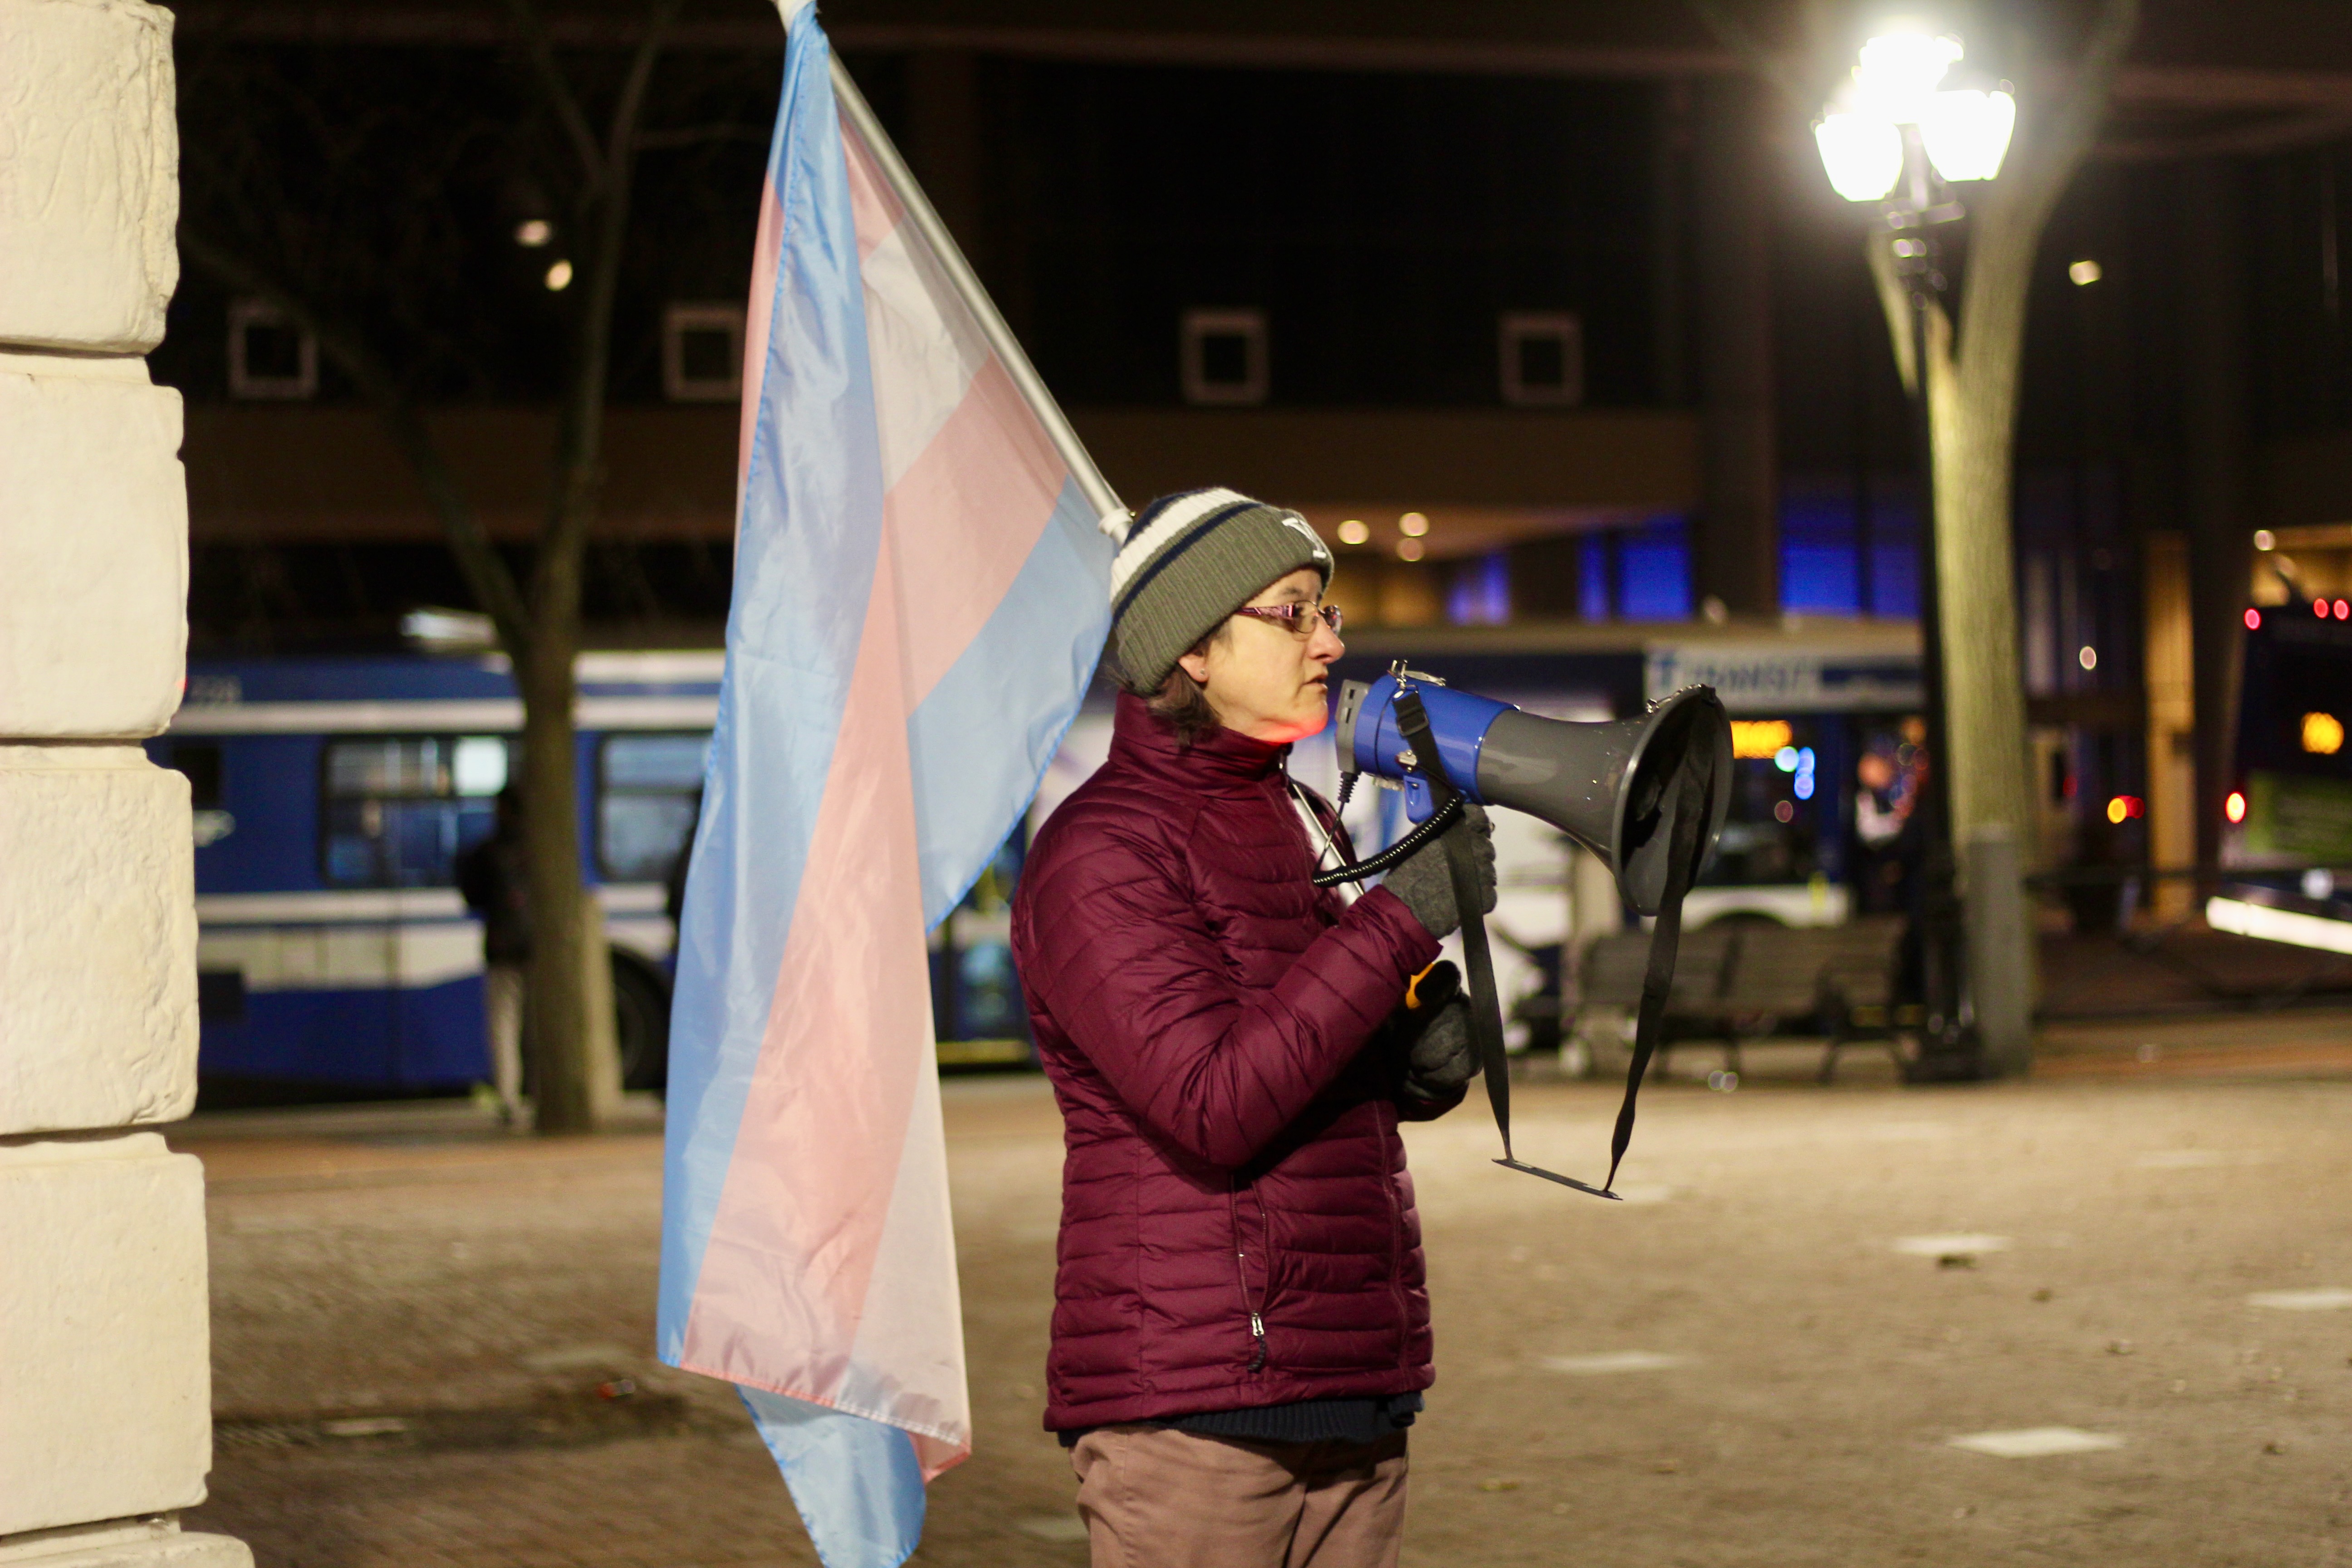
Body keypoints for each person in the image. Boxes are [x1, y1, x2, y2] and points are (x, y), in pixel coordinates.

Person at [1009, 488, 1497, 1568]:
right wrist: (1393, 926)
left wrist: (1405, 1056)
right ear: (1191, 649)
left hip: (1347, 1383)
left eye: (1325, 611)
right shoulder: (1101, 851)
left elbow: (1295, 1046)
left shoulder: (1291, 814)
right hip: (1197, 1408)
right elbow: (1211, 1101)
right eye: (1292, 612)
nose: (1331, 638)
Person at [456, 786, 530, 1126]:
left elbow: (472, 895)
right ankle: (544, 1094)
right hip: (540, 949)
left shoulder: (488, 851)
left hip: (502, 948)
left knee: (504, 1025)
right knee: (538, 1027)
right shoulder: (543, 849)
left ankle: (510, 1100)